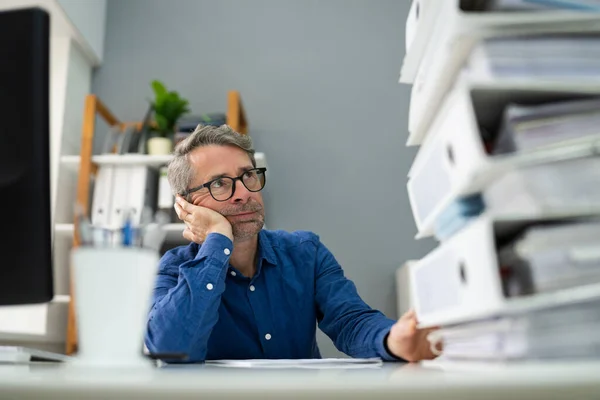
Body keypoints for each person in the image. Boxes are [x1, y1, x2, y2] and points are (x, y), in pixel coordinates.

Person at [144, 124, 437, 362]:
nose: (244, 193)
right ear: (186, 205)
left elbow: (350, 321)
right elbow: (171, 348)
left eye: (248, 176)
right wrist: (218, 238)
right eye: (220, 183)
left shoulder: (305, 253)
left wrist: (393, 339)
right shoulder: (174, 269)